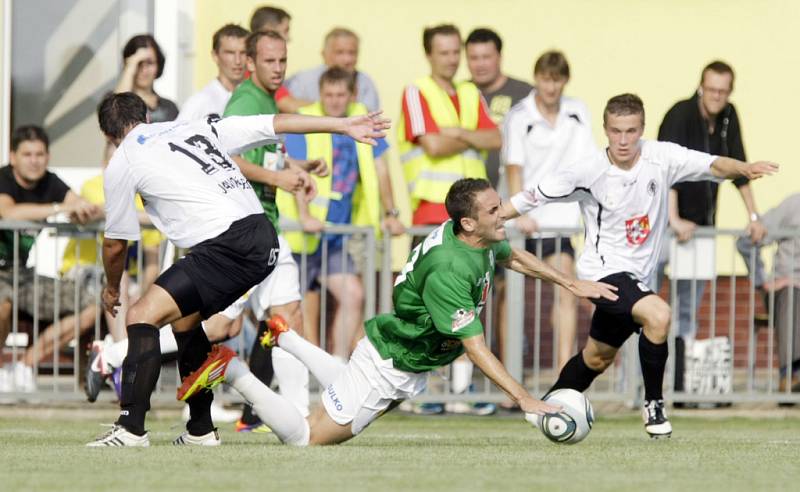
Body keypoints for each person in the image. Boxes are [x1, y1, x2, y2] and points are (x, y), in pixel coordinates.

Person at [178, 178, 618, 446]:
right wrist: (523, 398)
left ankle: (285, 337)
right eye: (493, 210)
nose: (502, 213)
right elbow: (476, 347)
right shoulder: (451, 268)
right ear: (468, 223)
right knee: (307, 437)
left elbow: (514, 257)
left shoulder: (475, 236)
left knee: (342, 388)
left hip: (397, 348)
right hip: (393, 362)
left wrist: (569, 282)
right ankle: (233, 370)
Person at [85, 91, 389, 447]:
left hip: (227, 245)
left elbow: (115, 243)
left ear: (107, 135)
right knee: (187, 324)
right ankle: (200, 429)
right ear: (148, 118)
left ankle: (131, 429)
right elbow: (275, 123)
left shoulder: (124, 159)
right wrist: (341, 126)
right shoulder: (192, 128)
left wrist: (111, 288)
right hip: (262, 234)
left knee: (140, 316)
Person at [502, 94, 778, 438]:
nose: (622, 140)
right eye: (616, 131)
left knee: (596, 358)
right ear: (605, 129)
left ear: (641, 129)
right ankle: (654, 405)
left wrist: (743, 168)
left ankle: (543, 407)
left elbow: (712, 164)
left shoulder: (662, 157)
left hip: (638, 276)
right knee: (659, 315)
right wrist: (494, 215)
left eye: (630, 131)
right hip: (603, 273)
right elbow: (533, 195)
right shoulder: (588, 170)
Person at [221, 29, 325, 432]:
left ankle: (298, 417)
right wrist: (278, 179)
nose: (278, 68)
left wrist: (297, 171)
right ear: (251, 63)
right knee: (221, 326)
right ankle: (121, 354)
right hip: (245, 226)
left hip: (266, 225)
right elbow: (225, 155)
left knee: (288, 317)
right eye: (269, 61)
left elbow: (261, 156)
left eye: (282, 60)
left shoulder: (267, 100)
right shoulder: (247, 100)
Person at [280, 68, 404, 358]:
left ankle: (336, 367)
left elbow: (381, 167)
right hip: (301, 235)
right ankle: (290, 370)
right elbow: (296, 168)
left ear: (352, 95)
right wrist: (305, 216)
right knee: (288, 306)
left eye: (340, 95)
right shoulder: (306, 120)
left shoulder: (361, 120)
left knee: (353, 295)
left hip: (336, 235)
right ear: (320, 95)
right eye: (328, 95)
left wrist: (391, 212)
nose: (334, 102)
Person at [658, 61, 766, 365]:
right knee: (648, 305)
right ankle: (636, 386)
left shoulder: (729, 117)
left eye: (723, 91)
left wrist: (753, 217)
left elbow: (739, 167)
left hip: (701, 228)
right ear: (700, 87)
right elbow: (667, 168)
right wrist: (673, 218)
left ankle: (678, 381)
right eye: (712, 90)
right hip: (664, 225)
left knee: (687, 310)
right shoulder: (680, 114)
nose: (717, 96)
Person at [504, 51, 595, 370]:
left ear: (564, 81)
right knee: (511, 299)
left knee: (566, 291)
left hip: (562, 222)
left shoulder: (577, 111)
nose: (551, 87)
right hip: (527, 221)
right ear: (537, 78)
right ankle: (509, 376)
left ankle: (562, 376)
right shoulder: (520, 116)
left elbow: (588, 164)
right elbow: (513, 166)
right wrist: (519, 212)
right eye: (545, 79)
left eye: (557, 80)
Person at [0, 126, 102, 393]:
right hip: (2, 279)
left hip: (22, 277)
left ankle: (22, 365)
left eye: (40, 154)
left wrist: (84, 209)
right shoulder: (3, 179)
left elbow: (77, 203)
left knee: (92, 304)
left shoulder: (51, 182)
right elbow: (8, 211)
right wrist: (60, 208)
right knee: (3, 303)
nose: (34, 160)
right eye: (27, 154)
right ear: (13, 157)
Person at [399, 24, 500, 228]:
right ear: (429, 55)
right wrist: (473, 139)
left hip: (476, 209)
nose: (452, 60)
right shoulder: (416, 91)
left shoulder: (471, 91)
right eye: (444, 53)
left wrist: (457, 133)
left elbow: (496, 139)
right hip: (433, 209)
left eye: (456, 52)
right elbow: (434, 146)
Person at [736, 193, 800, 394]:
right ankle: (791, 374)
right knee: (792, 293)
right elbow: (746, 242)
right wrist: (762, 282)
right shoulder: (793, 206)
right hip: (786, 290)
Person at [465, 28, 532, 190]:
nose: (480, 64)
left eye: (486, 57)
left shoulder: (526, 95)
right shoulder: (459, 94)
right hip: (469, 199)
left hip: (517, 195)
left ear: (500, 57)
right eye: (473, 58)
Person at [286, 28, 381, 112]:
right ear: (324, 54)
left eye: (352, 53)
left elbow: (372, 122)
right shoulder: (302, 81)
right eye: (340, 52)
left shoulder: (365, 83)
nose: (347, 60)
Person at [178, 24, 249, 121]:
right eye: (230, 53)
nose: (238, 61)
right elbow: (176, 134)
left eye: (243, 53)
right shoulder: (199, 102)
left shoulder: (255, 97)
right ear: (215, 56)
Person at [248, 5, 308, 114]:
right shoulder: (251, 68)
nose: (289, 38)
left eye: (282, 61)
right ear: (268, 31)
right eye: (285, 31)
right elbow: (289, 106)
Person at [115, 35, 178, 123]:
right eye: (139, 63)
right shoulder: (113, 102)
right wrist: (131, 65)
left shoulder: (170, 108)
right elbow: (115, 116)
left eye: (149, 63)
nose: (144, 70)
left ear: (158, 65)